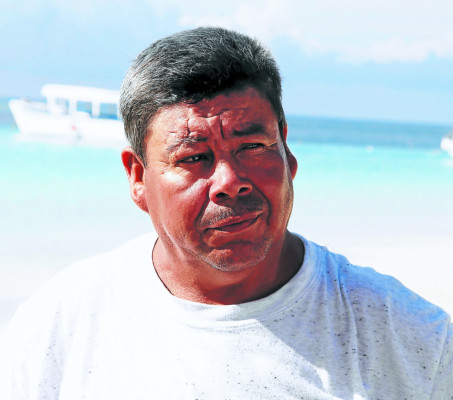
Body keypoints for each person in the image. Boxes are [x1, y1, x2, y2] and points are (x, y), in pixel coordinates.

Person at [1, 27, 452, 399]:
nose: (229, 180)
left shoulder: (411, 339)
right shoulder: (60, 329)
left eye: (252, 146)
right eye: (193, 157)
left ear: (287, 152)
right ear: (138, 178)